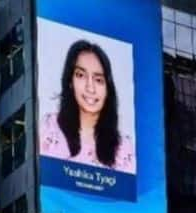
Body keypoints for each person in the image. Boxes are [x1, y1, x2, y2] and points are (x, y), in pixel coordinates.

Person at [40, 40, 135, 174]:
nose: (90, 87)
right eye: (81, 75)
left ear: (108, 89)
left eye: (98, 80)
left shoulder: (123, 148)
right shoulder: (50, 129)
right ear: (70, 82)